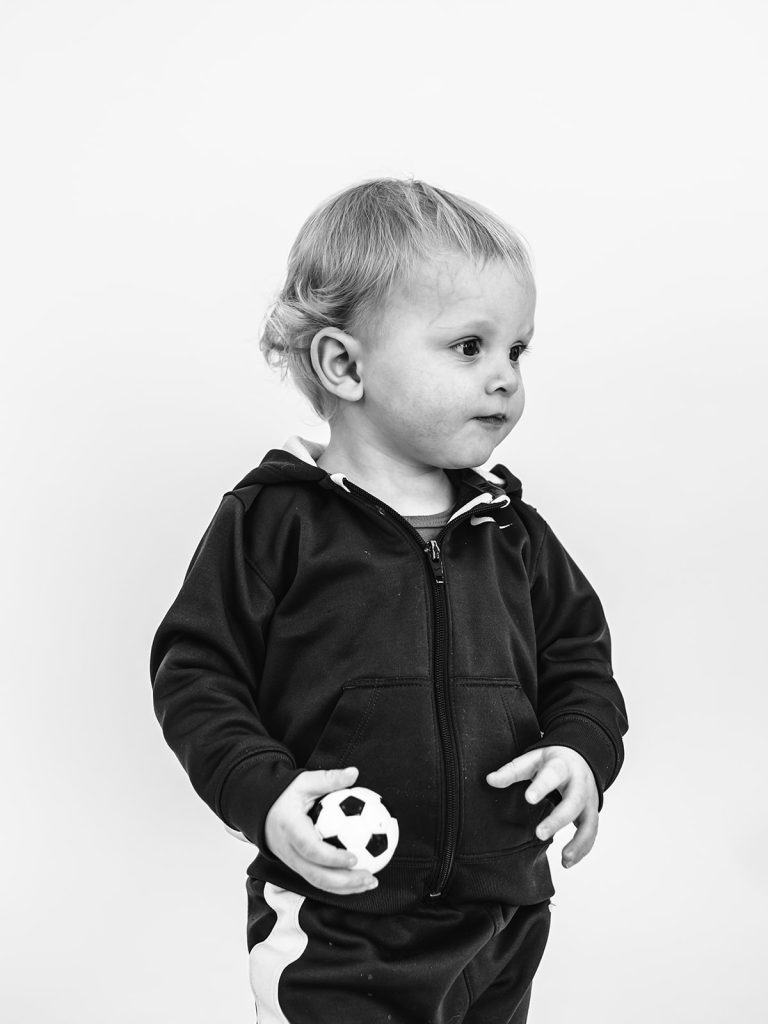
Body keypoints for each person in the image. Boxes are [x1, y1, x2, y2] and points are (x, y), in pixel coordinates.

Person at [150, 177, 628, 1023]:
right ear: (344, 363)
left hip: (505, 911)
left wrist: (584, 752)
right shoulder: (272, 522)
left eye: (517, 351)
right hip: (342, 917)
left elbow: (581, 663)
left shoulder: (511, 533)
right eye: (469, 347)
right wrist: (263, 795)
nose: (505, 379)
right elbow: (197, 674)